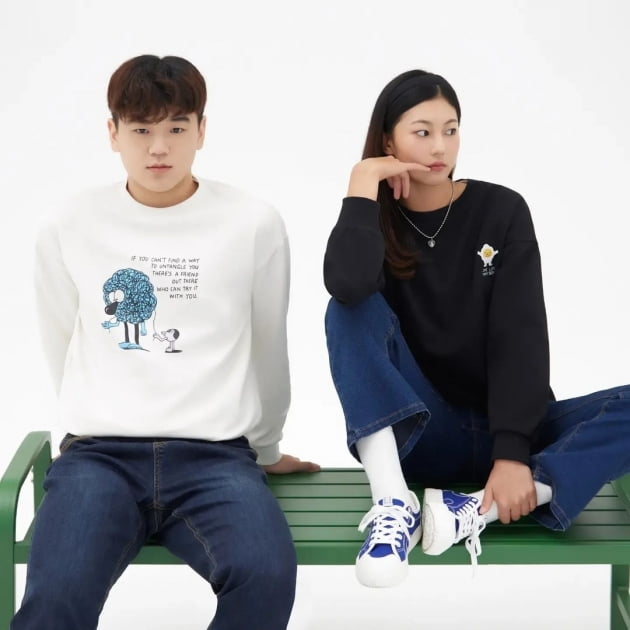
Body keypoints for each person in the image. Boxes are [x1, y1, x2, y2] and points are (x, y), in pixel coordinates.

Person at [12, 54, 319, 630]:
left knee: (265, 575)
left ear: (202, 130)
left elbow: (268, 345)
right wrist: (92, 415)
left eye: (177, 128)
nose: (159, 148)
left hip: (215, 457)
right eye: (141, 130)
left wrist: (267, 448)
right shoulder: (69, 223)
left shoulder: (251, 222)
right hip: (98, 457)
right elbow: (60, 338)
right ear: (113, 133)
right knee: (55, 598)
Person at [323, 69, 630, 588]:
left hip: (512, 433)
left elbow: (520, 337)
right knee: (347, 308)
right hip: (424, 435)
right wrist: (360, 186)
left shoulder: (501, 210)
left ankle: (475, 509)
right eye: (422, 132)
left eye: (451, 130)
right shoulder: (372, 222)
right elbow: (347, 287)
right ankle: (394, 504)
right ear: (388, 142)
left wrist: (511, 453)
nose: (440, 146)